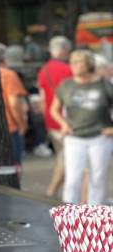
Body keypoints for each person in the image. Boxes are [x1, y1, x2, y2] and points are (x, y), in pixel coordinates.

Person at [49, 49, 113, 205]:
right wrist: (64, 124)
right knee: (73, 178)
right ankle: (69, 212)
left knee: (97, 178)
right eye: (72, 62)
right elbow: (54, 109)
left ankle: (93, 213)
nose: (74, 65)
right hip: (74, 138)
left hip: (100, 138)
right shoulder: (66, 85)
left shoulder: (104, 84)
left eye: (79, 62)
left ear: (89, 64)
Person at [38, 36, 73, 196]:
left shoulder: (43, 70)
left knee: (63, 156)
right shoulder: (69, 69)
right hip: (67, 119)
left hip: (51, 119)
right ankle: (52, 193)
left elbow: (42, 98)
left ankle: (59, 192)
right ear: (64, 50)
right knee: (67, 159)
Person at [0, 43, 28, 165]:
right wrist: (22, 124)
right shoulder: (8, 75)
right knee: (14, 166)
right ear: (4, 58)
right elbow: (14, 103)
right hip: (10, 127)